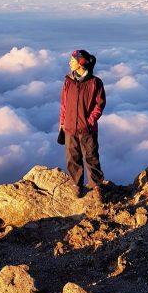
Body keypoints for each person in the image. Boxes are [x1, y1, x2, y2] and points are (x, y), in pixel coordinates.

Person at [58, 49, 106, 191]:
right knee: (72, 158)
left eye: (72, 60)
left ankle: (96, 186)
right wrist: (62, 123)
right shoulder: (68, 81)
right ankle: (76, 185)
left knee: (91, 157)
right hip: (69, 127)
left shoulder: (95, 83)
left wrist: (89, 122)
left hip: (87, 129)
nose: (69, 63)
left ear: (80, 63)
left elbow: (100, 105)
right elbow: (64, 104)